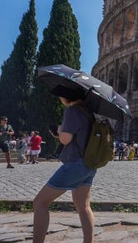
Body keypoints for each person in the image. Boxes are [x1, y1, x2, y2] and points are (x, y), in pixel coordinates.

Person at [33, 86, 97, 243]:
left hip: (74, 164)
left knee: (40, 202)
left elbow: (66, 139)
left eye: (61, 96)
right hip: (89, 164)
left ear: (68, 96)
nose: (60, 99)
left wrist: (60, 130)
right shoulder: (89, 113)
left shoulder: (73, 111)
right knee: (83, 206)